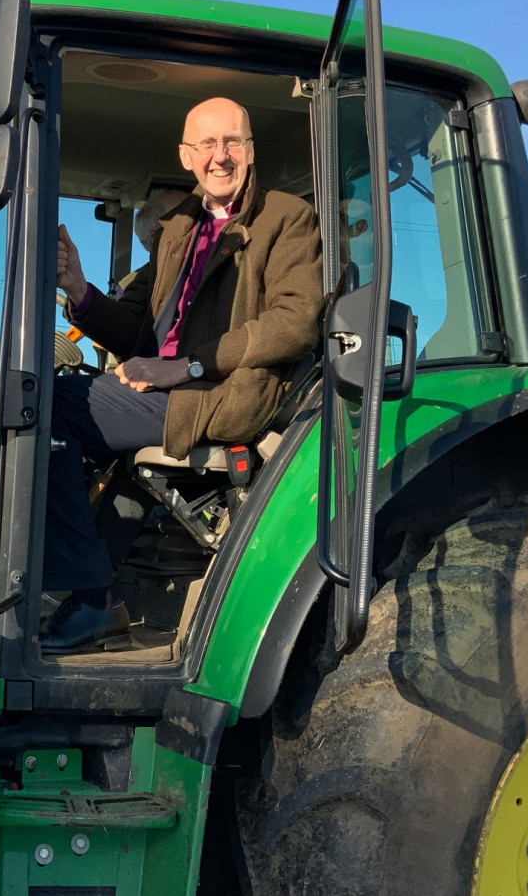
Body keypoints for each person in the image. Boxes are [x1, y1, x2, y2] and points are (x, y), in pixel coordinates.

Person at [43, 96, 324, 652]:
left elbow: (295, 324)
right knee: (41, 401)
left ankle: (92, 598)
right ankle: (95, 595)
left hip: (221, 391)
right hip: (169, 384)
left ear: (249, 149)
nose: (221, 157)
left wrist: (187, 366)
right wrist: (77, 288)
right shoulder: (179, 228)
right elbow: (134, 330)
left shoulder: (286, 218)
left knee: (46, 402)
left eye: (233, 142)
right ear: (187, 156)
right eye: (207, 145)